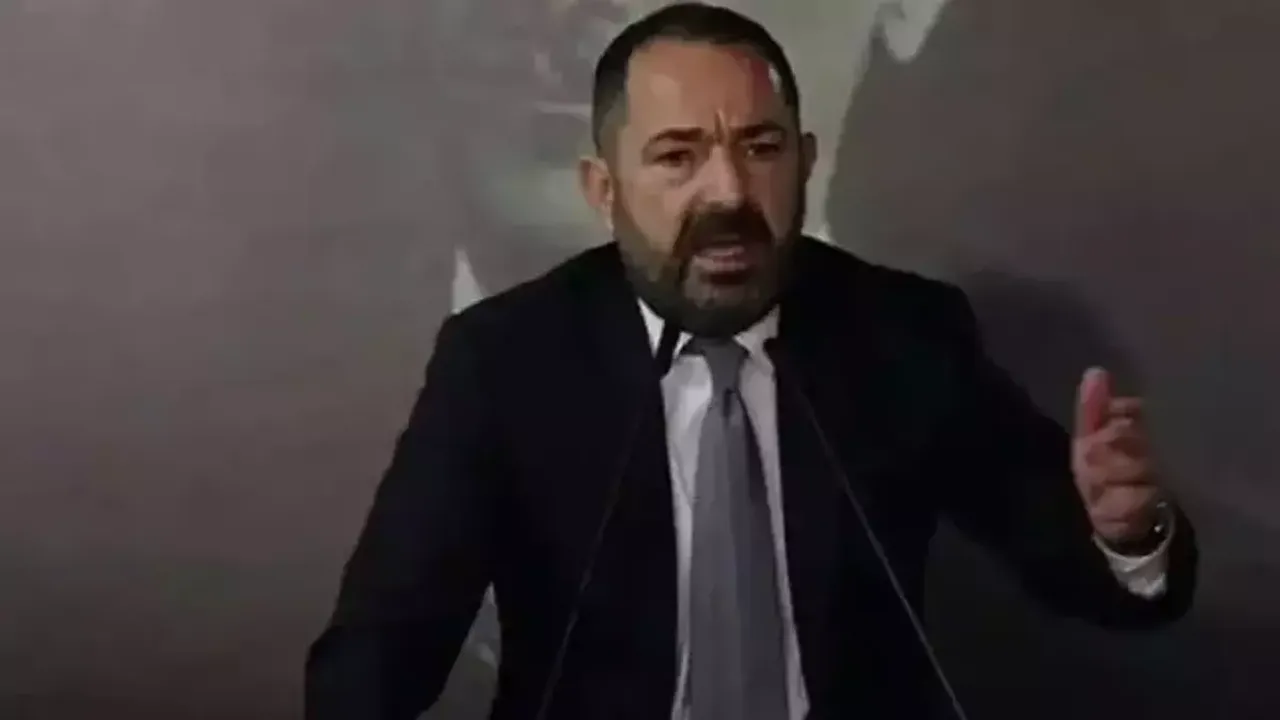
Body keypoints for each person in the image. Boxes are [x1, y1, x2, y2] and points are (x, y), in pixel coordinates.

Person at [304, 4, 1197, 719]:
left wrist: (1126, 535)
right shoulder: (505, 359)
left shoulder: (904, 334)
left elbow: (1100, 579)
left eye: (760, 148)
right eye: (678, 157)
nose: (728, 192)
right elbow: (382, 648)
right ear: (605, 191)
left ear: (802, 163)